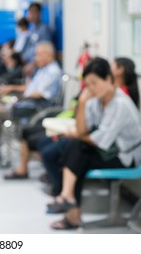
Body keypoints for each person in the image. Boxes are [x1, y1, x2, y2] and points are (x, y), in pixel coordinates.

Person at [47, 57, 141, 230]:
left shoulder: (120, 104)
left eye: (94, 83)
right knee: (75, 150)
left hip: (125, 157)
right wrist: (82, 102)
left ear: (108, 79)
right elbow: (83, 130)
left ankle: (70, 205)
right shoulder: (96, 100)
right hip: (108, 149)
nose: (90, 89)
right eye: (87, 85)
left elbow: (96, 140)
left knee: (77, 151)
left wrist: (80, 135)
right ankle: (68, 199)